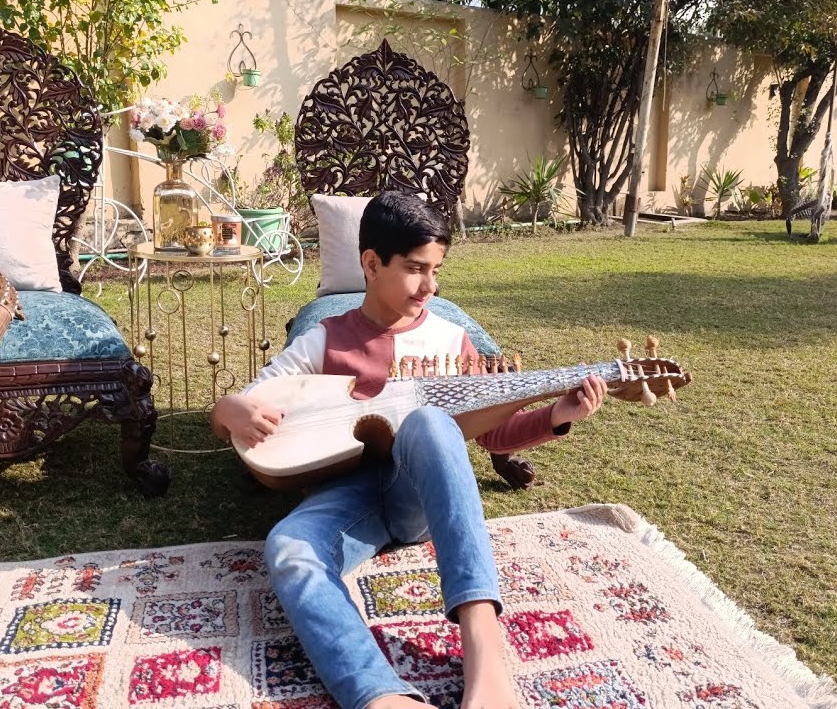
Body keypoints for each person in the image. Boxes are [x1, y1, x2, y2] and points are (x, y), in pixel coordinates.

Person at [210, 191, 608, 709]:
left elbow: (491, 435)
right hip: (349, 501)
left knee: (429, 422)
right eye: (416, 269)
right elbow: (240, 406)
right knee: (288, 547)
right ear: (371, 264)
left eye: (436, 270)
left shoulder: (449, 340)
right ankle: (381, 696)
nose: (430, 286)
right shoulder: (324, 340)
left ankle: (486, 657)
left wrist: (557, 415)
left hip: (417, 496)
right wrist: (230, 409)